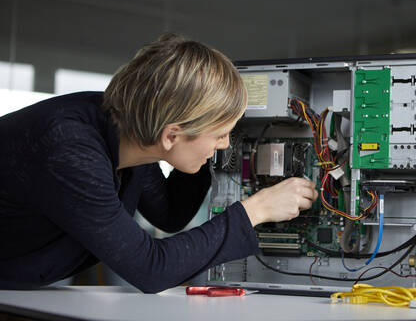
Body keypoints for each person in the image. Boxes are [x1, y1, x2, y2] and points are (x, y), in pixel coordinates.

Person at [0, 33, 317, 293]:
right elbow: (151, 268)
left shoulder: (129, 127)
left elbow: (169, 213)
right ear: (171, 136)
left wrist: (214, 155)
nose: (225, 144)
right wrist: (256, 211)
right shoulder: (70, 150)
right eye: (221, 135)